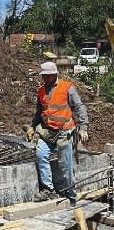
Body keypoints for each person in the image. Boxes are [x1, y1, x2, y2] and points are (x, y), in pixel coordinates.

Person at [26, 62, 89, 206]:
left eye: (48, 76)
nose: (46, 78)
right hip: (47, 132)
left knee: (65, 166)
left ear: (55, 74)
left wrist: (83, 127)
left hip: (64, 132)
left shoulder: (67, 88)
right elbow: (38, 113)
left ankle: (71, 196)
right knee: (41, 154)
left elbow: (79, 107)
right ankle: (49, 190)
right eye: (44, 76)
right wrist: (32, 126)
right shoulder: (41, 91)